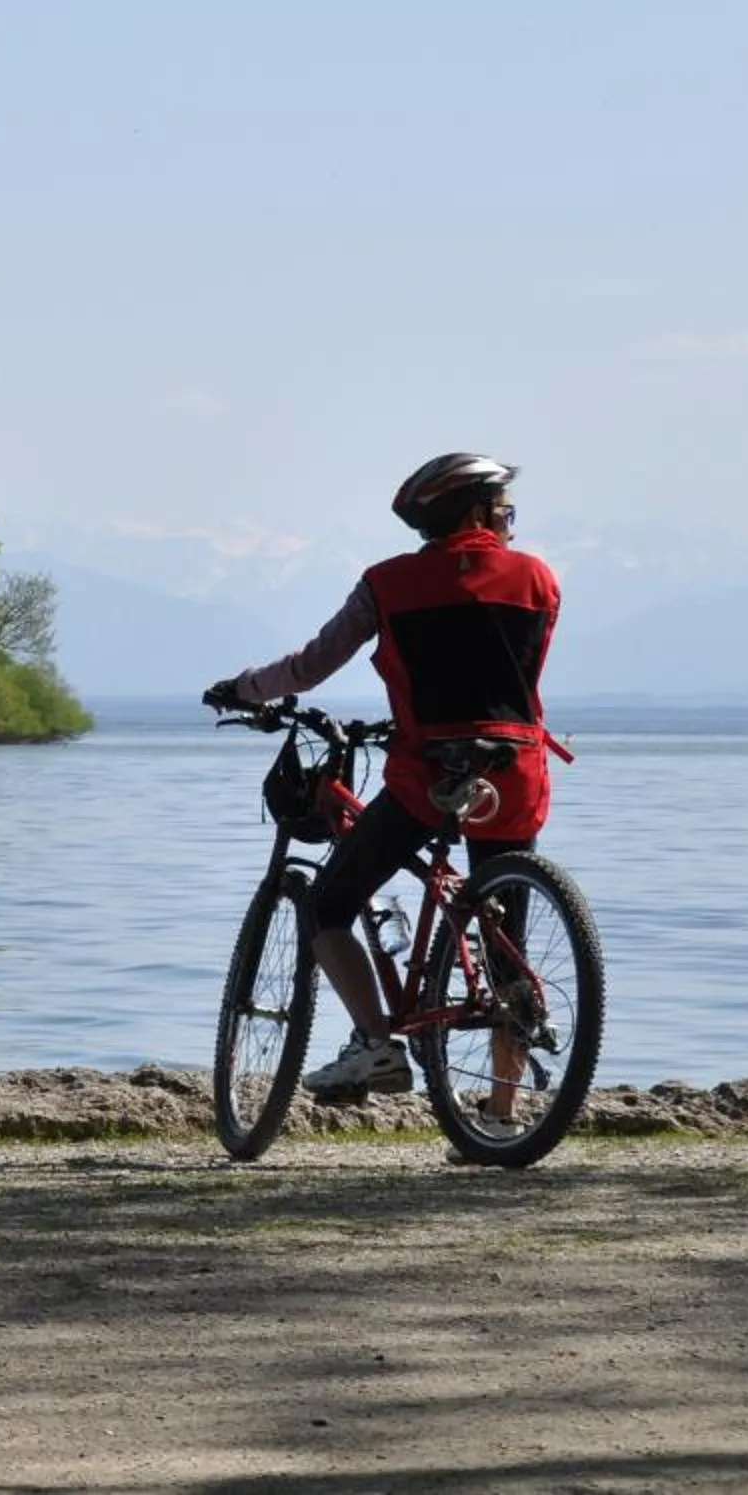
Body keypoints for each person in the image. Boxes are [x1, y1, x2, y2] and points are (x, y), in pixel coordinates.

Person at [203, 454, 562, 1116]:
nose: (510, 522)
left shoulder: (387, 583)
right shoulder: (537, 577)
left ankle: (377, 1042)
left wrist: (241, 688)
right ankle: (503, 1111)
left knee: (329, 905)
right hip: (512, 771)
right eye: (504, 510)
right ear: (478, 513)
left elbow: (310, 667)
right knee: (504, 928)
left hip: (427, 773)